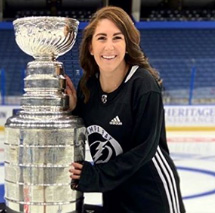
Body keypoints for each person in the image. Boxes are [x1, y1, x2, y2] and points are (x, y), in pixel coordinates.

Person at [66, 6, 186, 213]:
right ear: (91, 47)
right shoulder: (89, 86)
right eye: (101, 38)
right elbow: (90, 130)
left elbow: (144, 150)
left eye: (117, 38)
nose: (109, 46)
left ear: (128, 45)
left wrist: (96, 176)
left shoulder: (143, 85)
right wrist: (73, 110)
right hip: (114, 192)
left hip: (152, 193)